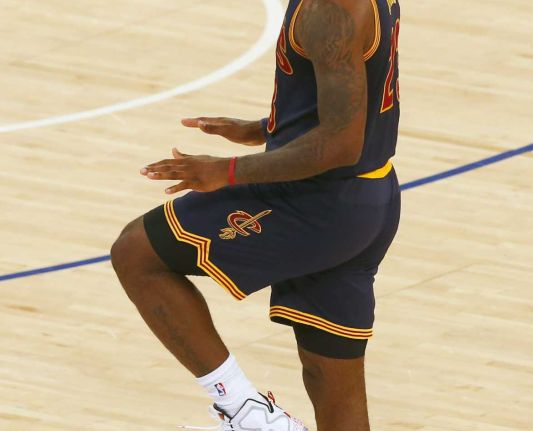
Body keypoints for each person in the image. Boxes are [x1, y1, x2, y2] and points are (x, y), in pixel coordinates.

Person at [111, 0, 401, 429]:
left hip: (316, 203)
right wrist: (267, 128)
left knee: (137, 253)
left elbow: (340, 144)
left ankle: (242, 408)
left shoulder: (329, 11)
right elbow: (361, 94)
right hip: (370, 198)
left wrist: (226, 171)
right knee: (331, 383)